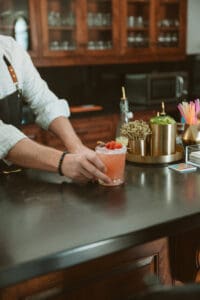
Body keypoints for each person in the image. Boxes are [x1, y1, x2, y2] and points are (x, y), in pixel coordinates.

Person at [0, 34, 111, 184]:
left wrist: (76, 147)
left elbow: (44, 101)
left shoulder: (9, 48)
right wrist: (62, 162)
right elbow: (3, 136)